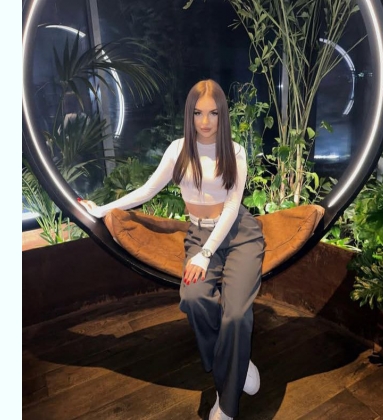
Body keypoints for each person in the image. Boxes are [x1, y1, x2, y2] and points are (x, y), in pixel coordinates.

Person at [79, 79, 265, 420]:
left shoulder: (235, 151)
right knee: (193, 298)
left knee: (237, 314)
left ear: (222, 115)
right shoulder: (178, 150)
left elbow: (231, 207)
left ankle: (227, 403)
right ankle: (237, 361)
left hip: (239, 233)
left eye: (213, 113)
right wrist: (102, 209)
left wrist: (205, 255)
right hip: (199, 233)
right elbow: (147, 190)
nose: (205, 121)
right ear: (189, 114)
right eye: (198, 113)